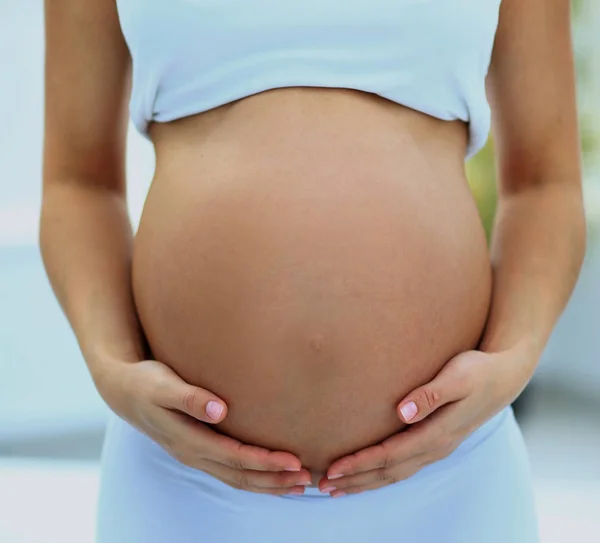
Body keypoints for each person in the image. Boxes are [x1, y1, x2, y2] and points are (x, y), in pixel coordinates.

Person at [40, 1, 586, 541]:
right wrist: (109, 365)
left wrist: (514, 358)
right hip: (182, 484)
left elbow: (545, 185)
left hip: (449, 479)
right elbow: (79, 184)